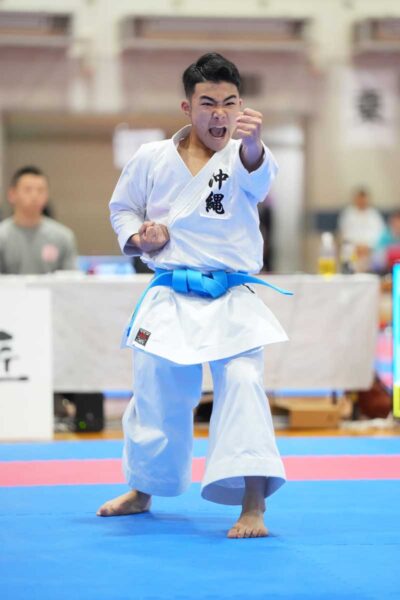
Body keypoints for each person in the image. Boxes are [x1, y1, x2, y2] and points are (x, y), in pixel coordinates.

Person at [98, 53, 290, 539]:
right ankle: (143, 489)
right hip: (172, 291)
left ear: (241, 106)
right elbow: (122, 208)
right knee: (155, 388)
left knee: (244, 383)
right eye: (208, 103)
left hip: (230, 295)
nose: (219, 114)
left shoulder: (246, 154)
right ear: (188, 107)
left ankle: (253, 503)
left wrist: (255, 145)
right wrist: (140, 237)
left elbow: (260, 177)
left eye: (229, 103)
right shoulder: (150, 157)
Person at [0, 165, 77, 274]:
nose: (34, 196)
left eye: (40, 190)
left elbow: (70, 279)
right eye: (28, 190)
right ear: (12, 194)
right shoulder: (2, 236)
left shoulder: (63, 237)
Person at [337, 188, 385, 272]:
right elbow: (345, 234)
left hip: (370, 250)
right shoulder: (348, 214)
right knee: (348, 255)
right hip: (354, 249)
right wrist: (357, 247)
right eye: (359, 198)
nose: (361, 201)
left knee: (379, 256)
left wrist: (367, 247)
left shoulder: (374, 215)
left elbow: (380, 234)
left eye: (363, 199)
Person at [372, 209, 400, 274]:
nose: (398, 224)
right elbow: (377, 250)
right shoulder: (386, 234)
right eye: (396, 222)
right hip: (386, 268)